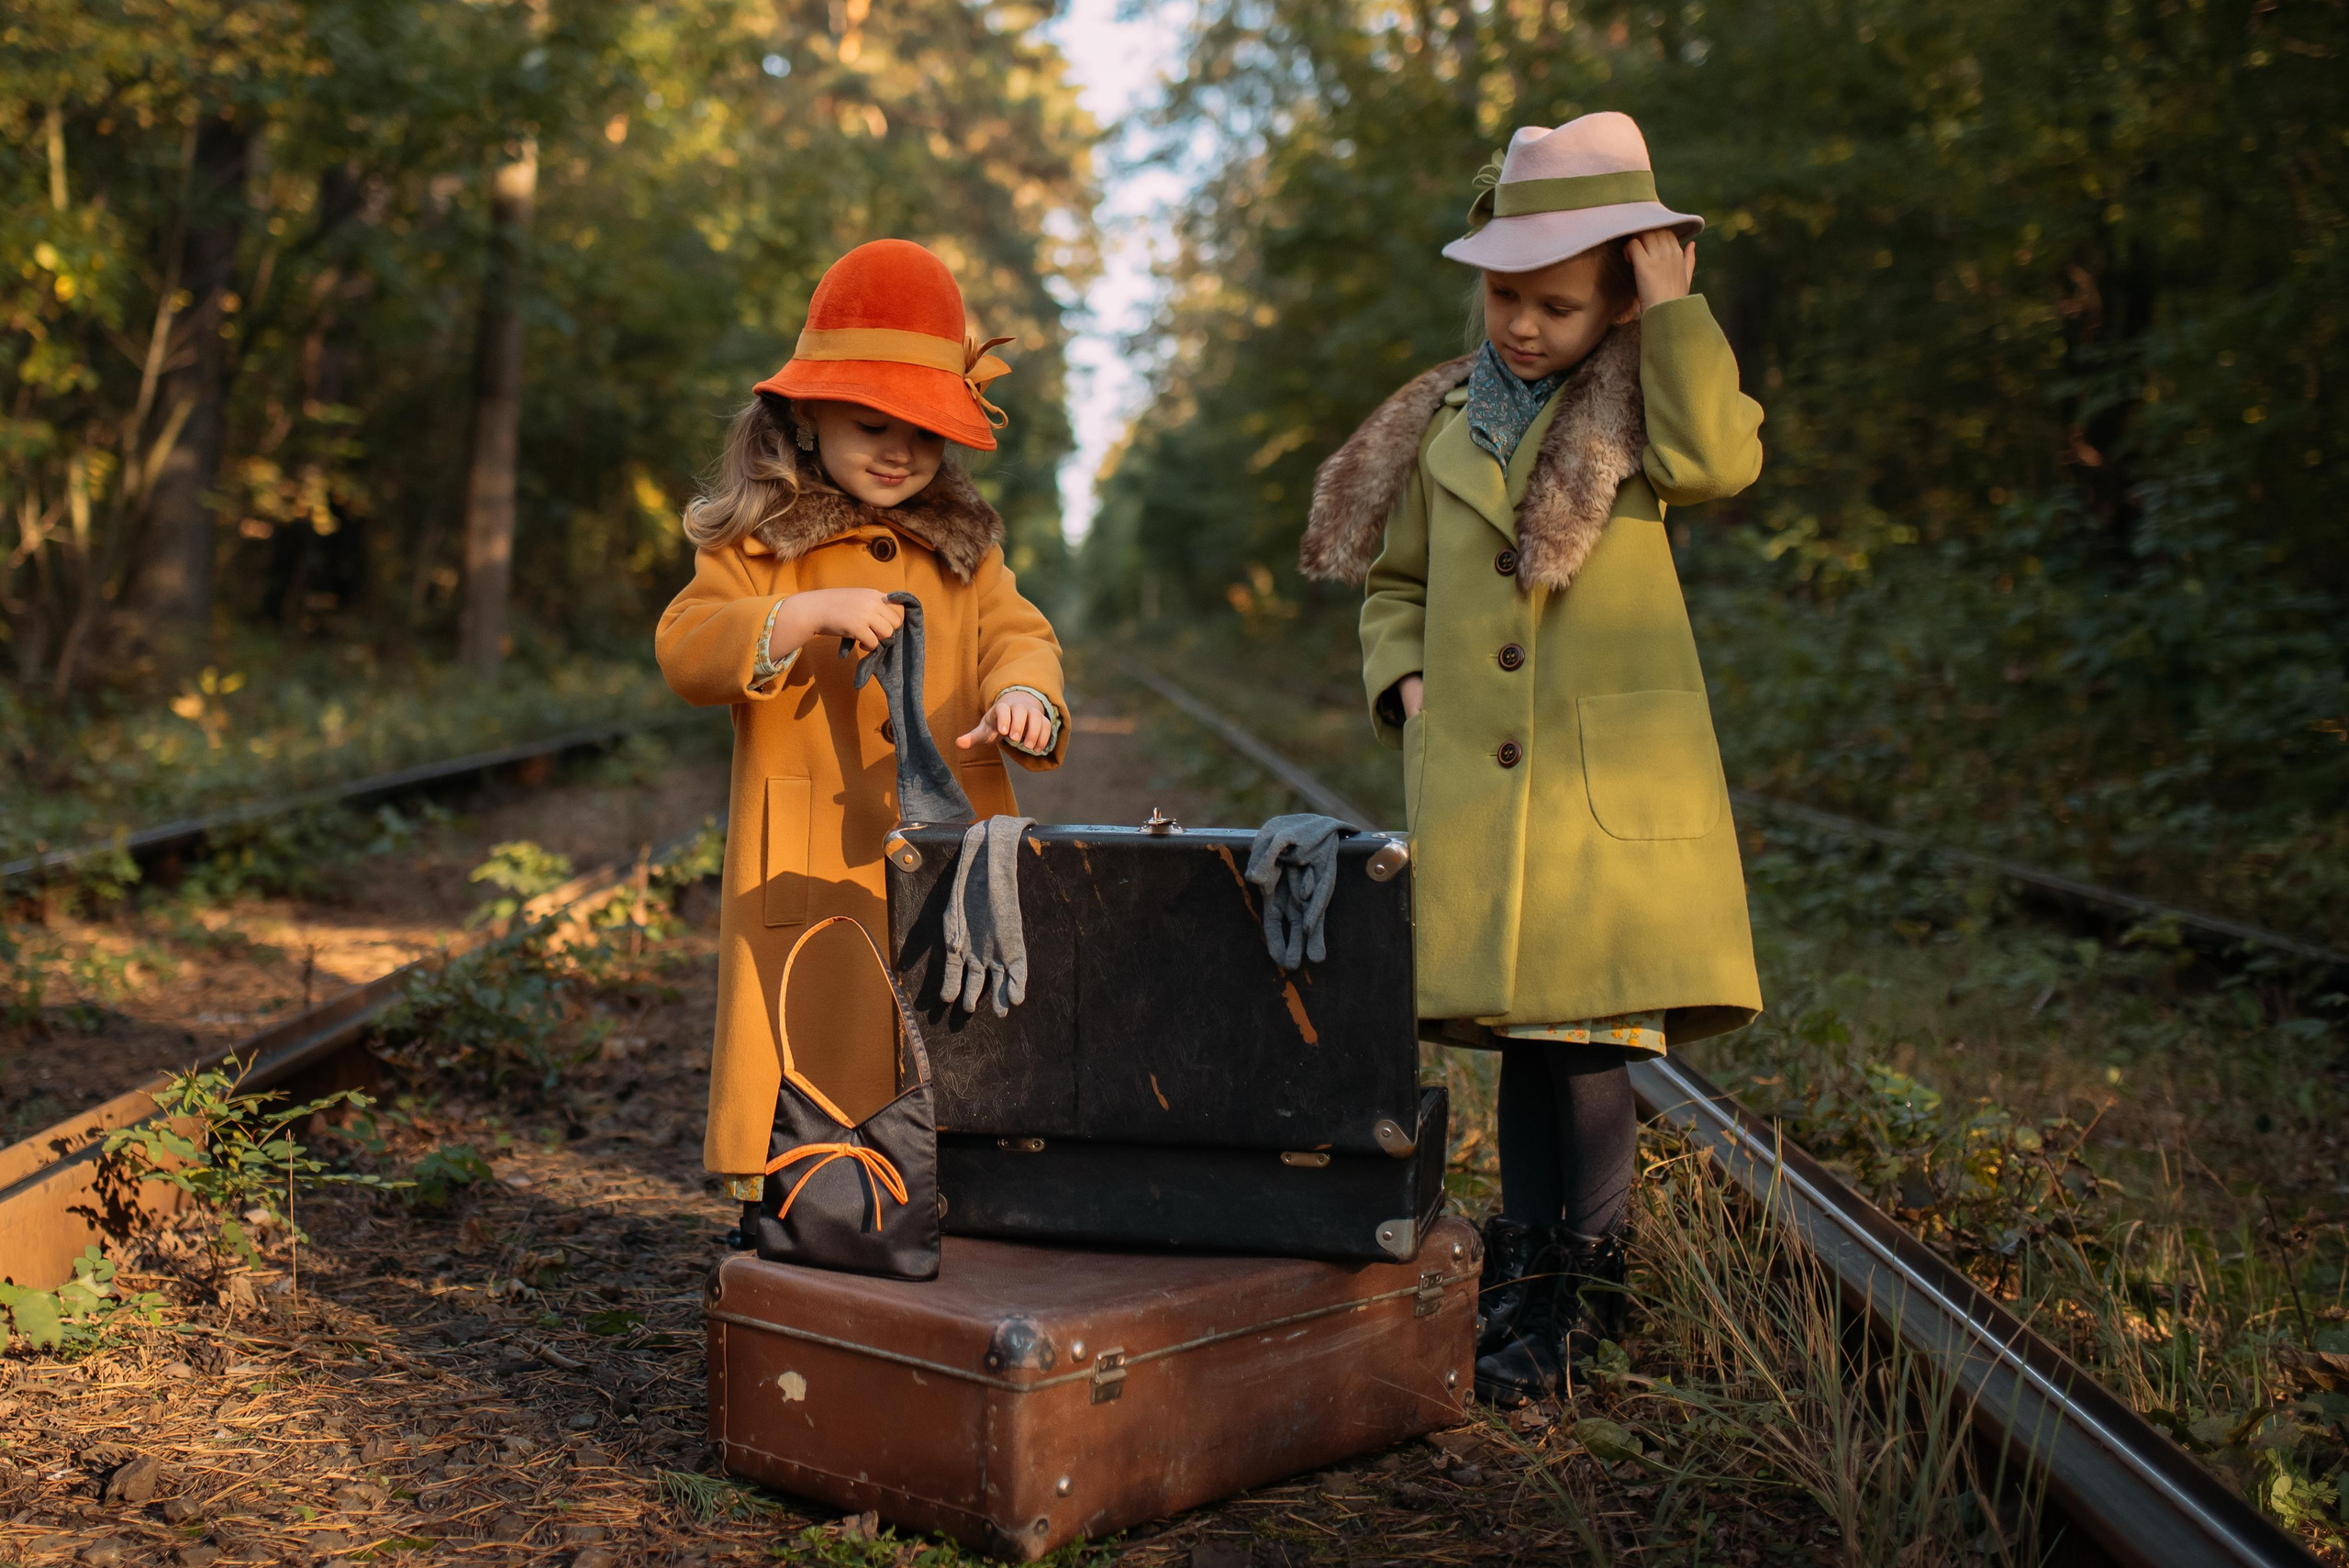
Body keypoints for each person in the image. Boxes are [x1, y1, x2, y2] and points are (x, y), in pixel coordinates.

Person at [1298, 112, 1765, 1406]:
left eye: (1555, 304)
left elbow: (1721, 457)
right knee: (1524, 1043)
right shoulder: (1448, 419)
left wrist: (1673, 307)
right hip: (1485, 786)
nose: (1520, 325)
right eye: (1505, 295)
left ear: (1619, 294)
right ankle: (1521, 1273)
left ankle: (1584, 1292)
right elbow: (1395, 582)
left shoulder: (1644, 406)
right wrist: (1402, 672)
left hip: (1596, 789)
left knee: (1590, 1048)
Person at [656, 239, 1068, 1205]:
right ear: (804, 417)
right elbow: (686, 646)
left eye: (924, 434)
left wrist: (1027, 697)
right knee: (816, 1065)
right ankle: (802, 1221)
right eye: (871, 422)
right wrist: (794, 616)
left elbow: (1021, 635)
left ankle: (945, 1212)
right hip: (813, 854)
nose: (899, 452)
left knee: (947, 1046)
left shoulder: (967, 550)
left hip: (945, 848)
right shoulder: (759, 544)